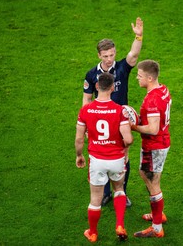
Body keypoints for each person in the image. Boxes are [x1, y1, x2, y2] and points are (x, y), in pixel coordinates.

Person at [82, 17, 143, 207]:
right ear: (99, 55)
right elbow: (87, 100)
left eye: (112, 54)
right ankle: (107, 192)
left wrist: (138, 37)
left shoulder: (122, 68)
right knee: (102, 156)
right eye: (106, 56)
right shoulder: (91, 75)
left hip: (120, 120)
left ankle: (121, 192)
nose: (110, 59)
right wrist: (85, 124)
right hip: (100, 121)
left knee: (123, 155)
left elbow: (133, 54)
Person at [75, 72, 134, 243]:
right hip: (116, 160)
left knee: (95, 198)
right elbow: (128, 139)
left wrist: (79, 155)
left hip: (97, 161)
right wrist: (125, 148)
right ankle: (120, 225)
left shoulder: (85, 110)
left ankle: (93, 233)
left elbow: (79, 139)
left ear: (96, 87)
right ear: (113, 88)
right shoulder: (119, 110)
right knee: (119, 189)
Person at [130, 60, 172, 238]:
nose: (137, 79)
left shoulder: (153, 99)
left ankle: (157, 227)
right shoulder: (163, 89)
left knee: (152, 182)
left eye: (139, 76)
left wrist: (134, 126)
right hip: (161, 142)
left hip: (154, 145)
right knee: (148, 177)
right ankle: (158, 215)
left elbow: (153, 129)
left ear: (149, 77)